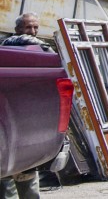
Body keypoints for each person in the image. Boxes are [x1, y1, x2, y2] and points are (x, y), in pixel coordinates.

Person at [2, 14, 49, 199]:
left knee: (29, 183)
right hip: (7, 135)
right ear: (18, 29)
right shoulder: (9, 50)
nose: (33, 32)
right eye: (29, 27)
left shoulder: (41, 55)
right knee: (6, 186)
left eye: (36, 27)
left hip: (28, 134)